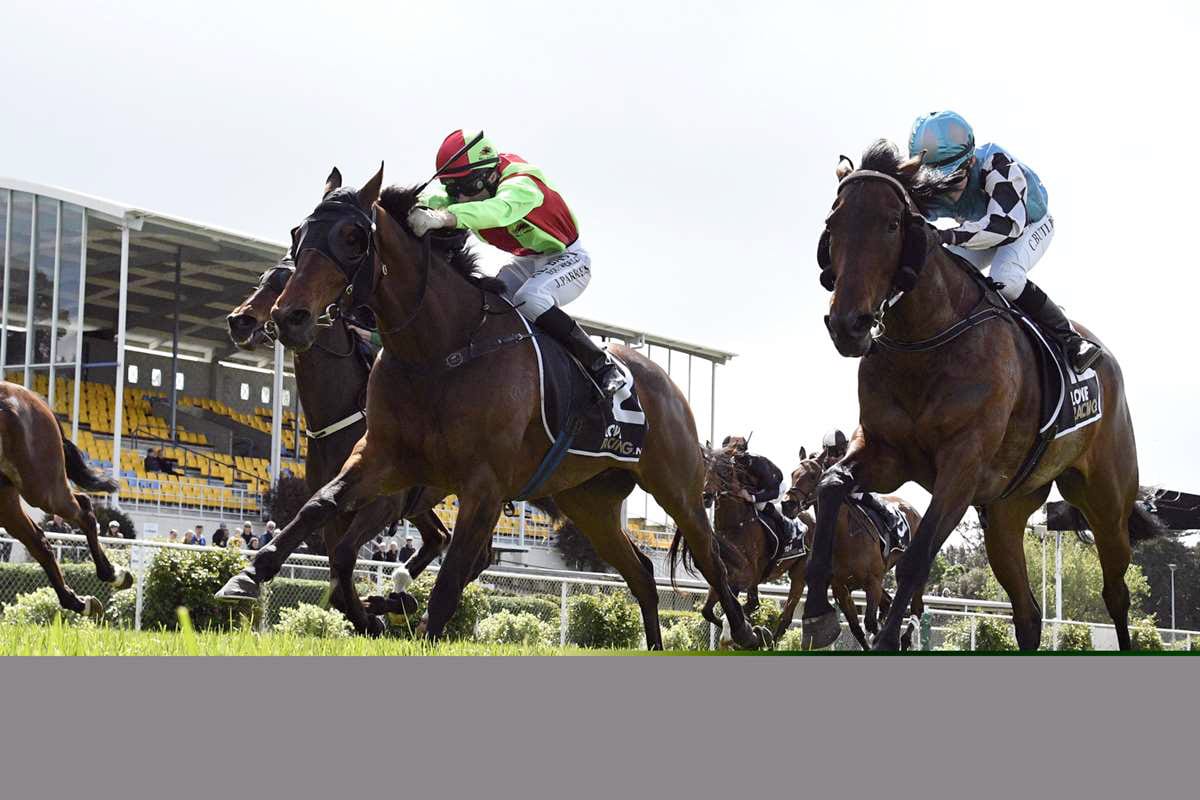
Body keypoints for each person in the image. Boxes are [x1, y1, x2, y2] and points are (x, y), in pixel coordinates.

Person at [407, 130, 626, 398]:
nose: (459, 197)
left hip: (568, 259)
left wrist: (444, 218)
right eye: (453, 188)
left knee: (530, 298)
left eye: (465, 188)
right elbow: (436, 199)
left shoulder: (522, 185)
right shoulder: (477, 182)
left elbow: (496, 211)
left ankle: (600, 365)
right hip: (528, 260)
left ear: (489, 175)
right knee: (489, 303)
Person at [909, 111, 1101, 374]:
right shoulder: (932, 179)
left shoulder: (998, 164)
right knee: (942, 271)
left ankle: (1071, 339)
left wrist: (947, 235)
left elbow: (1004, 227)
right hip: (981, 228)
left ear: (969, 162)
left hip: (1026, 224)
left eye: (951, 178)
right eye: (936, 181)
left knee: (1006, 277)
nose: (945, 190)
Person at [721, 435, 801, 557]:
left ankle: (787, 527)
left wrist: (752, 498)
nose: (728, 458)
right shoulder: (733, 463)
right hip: (755, 487)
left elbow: (773, 491)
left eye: (730, 453)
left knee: (758, 504)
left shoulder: (756, 463)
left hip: (775, 487)